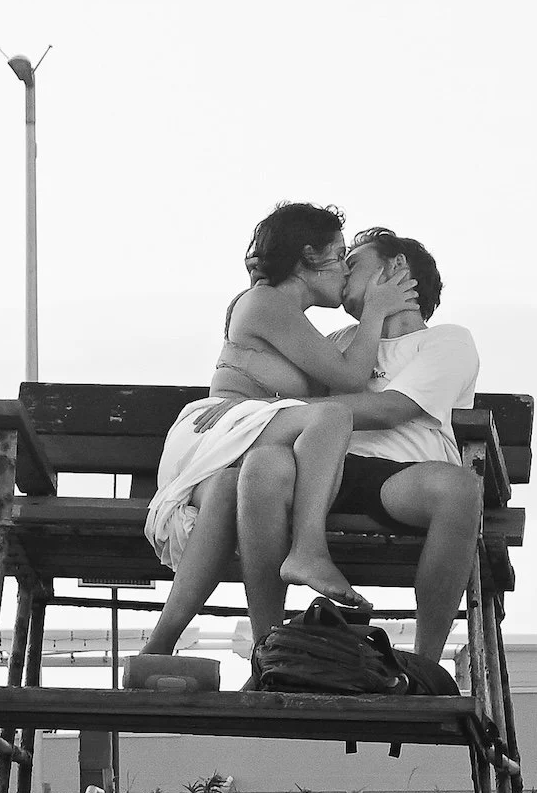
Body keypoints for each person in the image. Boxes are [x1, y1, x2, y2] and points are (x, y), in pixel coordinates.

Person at [139, 202, 421, 657]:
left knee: (244, 482)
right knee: (332, 415)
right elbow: (348, 383)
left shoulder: (296, 323)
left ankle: (181, 644)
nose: (345, 273)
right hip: (218, 427)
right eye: (340, 257)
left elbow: (335, 379)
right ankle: (309, 549)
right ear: (309, 257)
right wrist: (374, 311)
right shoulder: (265, 301)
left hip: (239, 445)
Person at [235, 227, 484, 661]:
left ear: (397, 268)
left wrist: (308, 408)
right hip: (324, 468)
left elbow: (391, 410)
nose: (342, 271)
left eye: (354, 262)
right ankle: (268, 650)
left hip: (401, 476)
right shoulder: (340, 345)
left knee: (460, 489)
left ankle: (424, 664)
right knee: (263, 466)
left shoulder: (446, 340)